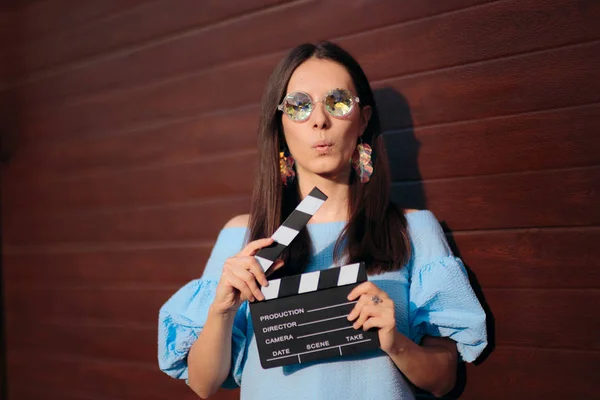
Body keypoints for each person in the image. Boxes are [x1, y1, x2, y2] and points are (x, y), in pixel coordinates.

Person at [158, 41, 487, 400]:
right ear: (280, 124)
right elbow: (203, 384)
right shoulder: (242, 235)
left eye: (338, 102)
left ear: (363, 119)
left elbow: (443, 380)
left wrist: (396, 343)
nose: (319, 120)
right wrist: (222, 308)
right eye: (299, 106)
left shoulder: (414, 229)